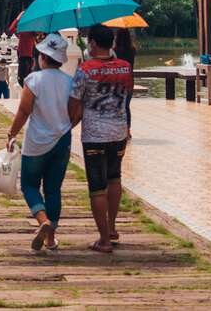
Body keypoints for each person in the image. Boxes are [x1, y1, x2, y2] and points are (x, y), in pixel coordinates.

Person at [68, 25, 134, 254]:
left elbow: (74, 103)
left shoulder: (85, 70)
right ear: (112, 44)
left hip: (95, 135)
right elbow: (127, 96)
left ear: (93, 43)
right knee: (115, 178)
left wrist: (69, 123)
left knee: (97, 186)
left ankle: (104, 239)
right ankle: (113, 227)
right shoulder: (125, 68)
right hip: (118, 132)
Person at [6, 33, 73, 255]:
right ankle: (50, 239)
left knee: (29, 186)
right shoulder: (69, 82)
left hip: (36, 142)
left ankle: (42, 220)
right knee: (53, 189)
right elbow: (76, 111)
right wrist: (65, 127)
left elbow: (24, 110)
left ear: (42, 57)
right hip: (61, 140)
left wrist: (11, 133)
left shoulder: (33, 80)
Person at [114, 28, 137, 138]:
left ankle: (118, 129)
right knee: (126, 106)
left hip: (118, 81)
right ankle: (128, 131)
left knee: (118, 106)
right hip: (129, 80)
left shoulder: (115, 50)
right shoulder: (132, 49)